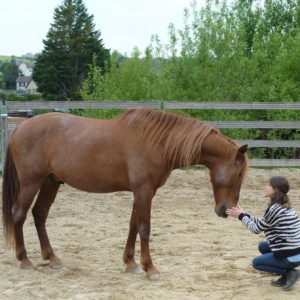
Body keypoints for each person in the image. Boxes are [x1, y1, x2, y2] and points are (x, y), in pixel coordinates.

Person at [226, 176, 300, 290]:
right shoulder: (286, 206)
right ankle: (286, 274)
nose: (266, 187)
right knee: (263, 246)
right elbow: (264, 222)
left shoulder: (274, 208)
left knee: (257, 263)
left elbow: (256, 229)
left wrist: (240, 216)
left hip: (288, 255)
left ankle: (290, 272)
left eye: (268, 185)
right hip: (296, 251)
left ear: (275, 189)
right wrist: (244, 214)